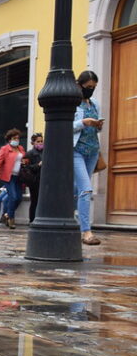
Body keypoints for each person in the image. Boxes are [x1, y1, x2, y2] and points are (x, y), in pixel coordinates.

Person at [73, 70, 104, 246]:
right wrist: (83, 122)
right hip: (76, 150)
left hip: (92, 151)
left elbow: (97, 130)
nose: (91, 90)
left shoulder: (95, 104)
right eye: (89, 87)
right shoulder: (73, 105)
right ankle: (86, 232)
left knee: (76, 188)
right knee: (86, 189)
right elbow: (65, 126)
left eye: (94, 88)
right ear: (80, 85)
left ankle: (66, 218)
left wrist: (98, 125)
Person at [0, 128, 25, 229]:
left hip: (18, 177)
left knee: (18, 198)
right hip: (8, 177)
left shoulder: (21, 148)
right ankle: (11, 219)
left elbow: (25, 159)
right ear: (10, 139)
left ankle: (6, 214)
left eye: (18, 138)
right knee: (13, 197)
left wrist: (25, 161)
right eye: (14, 138)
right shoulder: (4, 149)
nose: (16, 140)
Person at [21, 132, 43, 223]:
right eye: (38, 141)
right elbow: (26, 168)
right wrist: (38, 165)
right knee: (34, 201)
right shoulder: (29, 154)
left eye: (42, 141)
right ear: (33, 142)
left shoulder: (46, 152)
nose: (40, 143)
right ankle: (32, 220)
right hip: (34, 181)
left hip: (44, 181)